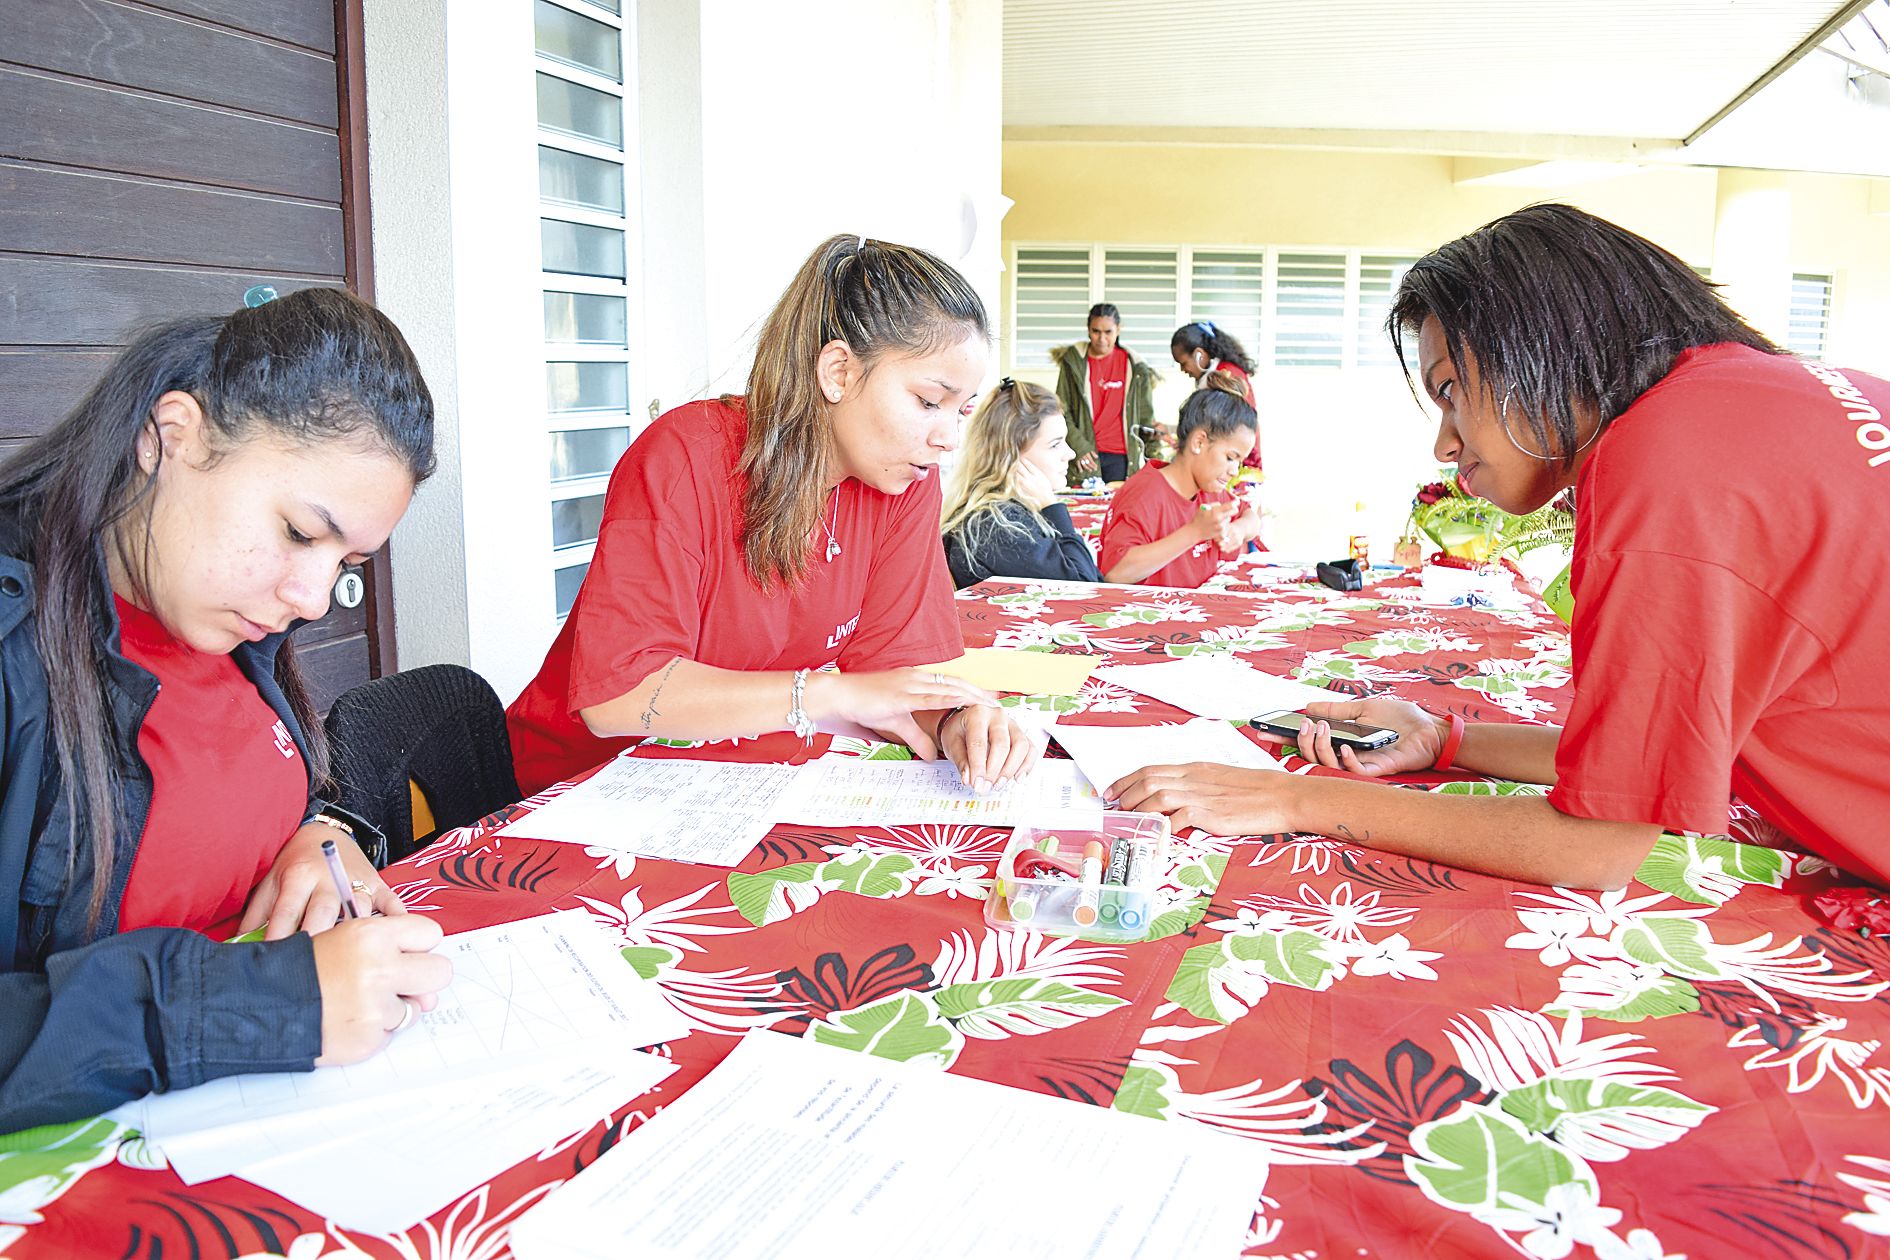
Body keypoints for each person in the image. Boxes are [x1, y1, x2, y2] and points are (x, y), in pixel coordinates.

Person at [1112, 202, 1890, 891]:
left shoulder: (1668, 461)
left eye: (1450, 390)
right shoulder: (1773, 394)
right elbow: (1651, 755)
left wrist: (1292, 797)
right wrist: (1446, 738)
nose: (1445, 445)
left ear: (1545, 345)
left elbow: (1597, 846)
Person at [0, 288, 454, 1134]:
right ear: (172, 437)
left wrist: (316, 834)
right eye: (295, 532)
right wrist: (257, 1006)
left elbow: (214, 796)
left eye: (346, 561)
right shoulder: (18, 655)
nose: (315, 598)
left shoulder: (226, 626)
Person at [507, 235, 1035, 797]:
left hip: (730, 782)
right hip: (583, 785)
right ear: (838, 372)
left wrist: (956, 721)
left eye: (963, 411)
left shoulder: (904, 481)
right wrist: (829, 694)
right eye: (930, 402)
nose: (947, 439)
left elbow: (895, 675)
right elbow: (618, 698)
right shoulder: (685, 457)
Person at [1096, 374, 1263, 587]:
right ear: (1199, 442)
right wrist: (1194, 532)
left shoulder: (1209, 488)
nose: (1234, 471)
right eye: (1230, 458)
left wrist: (1239, 530)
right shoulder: (1146, 493)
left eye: (1239, 461)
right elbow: (1115, 572)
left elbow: (1251, 517)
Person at [941, 378, 1103, 589]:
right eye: (1055, 445)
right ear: (1010, 456)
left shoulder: (1010, 513)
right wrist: (1051, 507)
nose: (1070, 453)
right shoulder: (995, 525)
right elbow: (1086, 587)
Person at [1050, 303, 1158, 484]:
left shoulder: (1136, 366)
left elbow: (1146, 415)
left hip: (1123, 457)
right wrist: (1079, 446)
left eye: (1108, 332)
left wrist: (1152, 455)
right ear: (1088, 330)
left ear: (1119, 329)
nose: (1101, 338)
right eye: (1096, 331)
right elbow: (1061, 409)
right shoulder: (1073, 362)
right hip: (1087, 455)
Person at [1171, 319, 1261, 470]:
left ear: (1200, 355)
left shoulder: (1226, 376)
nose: (1183, 370)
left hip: (1235, 465)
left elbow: (1223, 428)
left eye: (1183, 363)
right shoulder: (1217, 374)